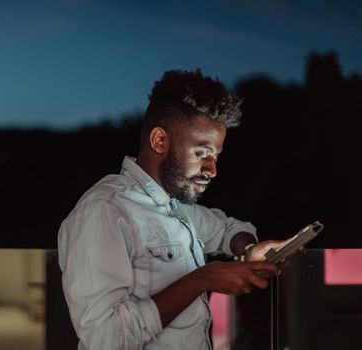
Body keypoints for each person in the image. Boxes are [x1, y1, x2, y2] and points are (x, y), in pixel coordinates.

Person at [58, 69, 289, 350]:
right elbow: (107, 339)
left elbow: (231, 229)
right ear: (159, 141)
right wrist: (205, 278)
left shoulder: (176, 208)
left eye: (215, 157)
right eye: (202, 154)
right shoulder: (104, 211)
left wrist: (249, 250)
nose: (212, 170)